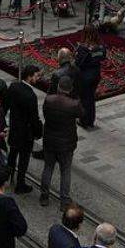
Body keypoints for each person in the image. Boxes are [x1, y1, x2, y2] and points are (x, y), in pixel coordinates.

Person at [40, 76, 82, 207]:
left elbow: (45, 114)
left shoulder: (49, 100)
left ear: (58, 86)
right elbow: (82, 114)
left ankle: (44, 195)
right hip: (66, 143)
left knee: (48, 167)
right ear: (70, 89)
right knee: (65, 170)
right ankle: (64, 200)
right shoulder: (74, 104)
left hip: (50, 140)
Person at [5, 66, 42, 194]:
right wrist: (38, 132)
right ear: (29, 76)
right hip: (26, 134)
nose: (38, 78)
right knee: (23, 160)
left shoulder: (14, 86)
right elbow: (34, 118)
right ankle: (20, 184)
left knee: (12, 154)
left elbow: (7, 105)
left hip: (15, 129)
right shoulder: (31, 96)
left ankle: (7, 176)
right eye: (36, 76)